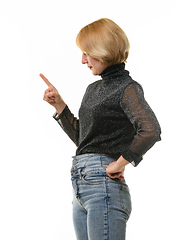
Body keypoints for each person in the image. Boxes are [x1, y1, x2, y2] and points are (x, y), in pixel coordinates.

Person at [40, 18, 161, 240]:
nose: (83, 60)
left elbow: (150, 130)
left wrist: (121, 161)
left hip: (103, 186)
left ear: (103, 50)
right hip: (80, 187)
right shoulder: (93, 88)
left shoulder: (128, 88)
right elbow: (84, 140)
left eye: (87, 52)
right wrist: (59, 105)